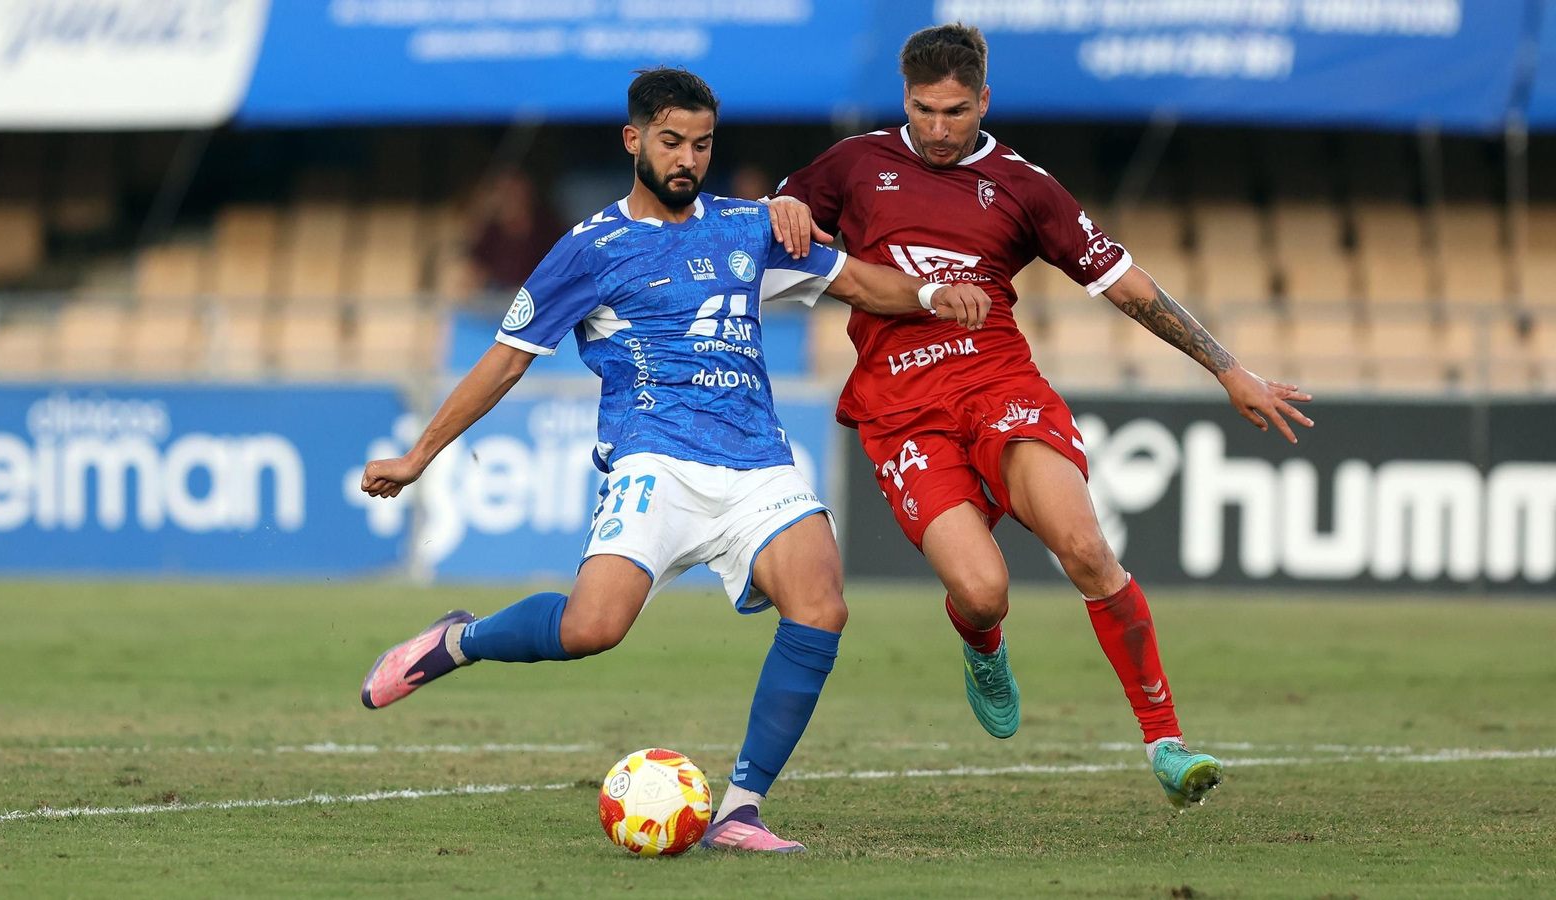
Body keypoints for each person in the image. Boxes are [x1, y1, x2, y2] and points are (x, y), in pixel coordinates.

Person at [357, 66, 990, 852]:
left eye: (701, 143)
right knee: (592, 628)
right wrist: (419, 455)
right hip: (655, 464)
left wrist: (931, 295)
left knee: (822, 605)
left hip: (758, 463)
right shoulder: (590, 249)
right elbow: (506, 358)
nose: (687, 158)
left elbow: (854, 281)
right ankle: (459, 641)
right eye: (670, 142)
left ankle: (740, 811)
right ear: (634, 141)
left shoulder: (752, 227)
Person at [768, 24, 1313, 808]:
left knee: (1087, 548)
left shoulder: (1025, 187)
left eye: (956, 111)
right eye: (924, 110)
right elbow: (783, 207)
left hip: (999, 384)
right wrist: (784, 205)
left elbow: (1124, 284)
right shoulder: (855, 163)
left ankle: (1165, 741)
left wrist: (1227, 368)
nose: (939, 128)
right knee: (984, 591)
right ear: (906, 100)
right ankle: (982, 643)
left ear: (983, 100)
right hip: (901, 407)